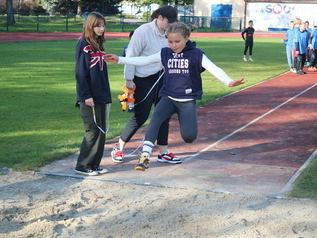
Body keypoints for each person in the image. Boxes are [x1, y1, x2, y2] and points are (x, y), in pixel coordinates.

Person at [104, 22, 245, 170]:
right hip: (168, 97)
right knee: (156, 119)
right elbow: (144, 60)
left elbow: (214, 69)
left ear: (187, 38)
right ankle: (145, 156)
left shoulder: (197, 54)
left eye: (177, 41)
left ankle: (157, 151)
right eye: (170, 41)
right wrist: (120, 59)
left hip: (187, 100)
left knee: (189, 137)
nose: (174, 45)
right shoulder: (165, 52)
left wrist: (229, 82)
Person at [110, 5, 180, 164]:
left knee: (164, 114)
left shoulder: (169, 32)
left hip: (161, 77)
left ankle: (163, 152)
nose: (170, 26)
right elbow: (131, 55)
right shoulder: (143, 31)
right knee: (141, 115)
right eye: (168, 22)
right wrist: (129, 79)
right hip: (142, 78)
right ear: (160, 17)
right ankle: (119, 147)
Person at [74, 12, 111, 176]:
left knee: (101, 130)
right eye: (98, 25)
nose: (101, 29)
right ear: (90, 26)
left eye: (103, 25)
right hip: (89, 96)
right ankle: (82, 165)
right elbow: (81, 73)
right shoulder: (84, 45)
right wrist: (86, 95)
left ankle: (94, 164)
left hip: (101, 94)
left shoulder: (98, 44)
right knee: (93, 130)